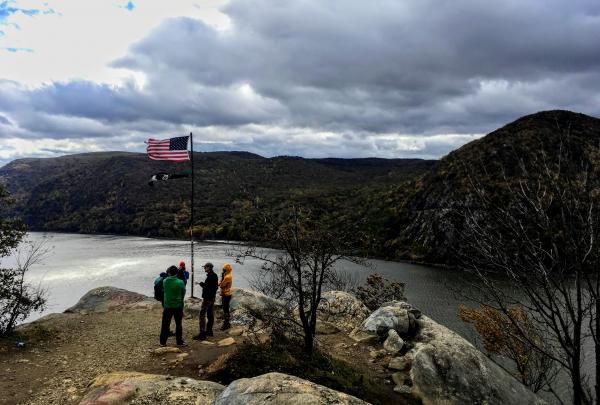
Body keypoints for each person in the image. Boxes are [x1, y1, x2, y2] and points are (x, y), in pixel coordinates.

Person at [159, 265, 187, 347]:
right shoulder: (180, 282)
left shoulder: (165, 281)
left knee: (165, 324)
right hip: (178, 305)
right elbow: (183, 292)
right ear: (177, 273)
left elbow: (164, 290)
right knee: (178, 324)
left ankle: (162, 342)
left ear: (169, 272)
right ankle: (179, 341)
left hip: (167, 306)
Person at [193, 262, 218, 341]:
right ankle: (209, 331)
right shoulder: (215, 275)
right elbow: (214, 287)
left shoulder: (210, 277)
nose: (204, 268)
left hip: (207, 298)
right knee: (210, 314)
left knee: (202, 315)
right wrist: (202, 284)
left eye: (205, 267)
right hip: (212, 297)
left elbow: (207, 287)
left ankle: (202, 334)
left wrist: (201, 284)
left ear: (209, 268)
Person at [219, 263, 233, 330]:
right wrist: (222, 278)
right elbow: (220, 283)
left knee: (225, 309)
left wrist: (222, 277)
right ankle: (227, 323)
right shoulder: (227, 275)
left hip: (226, 294)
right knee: (225, 309)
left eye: (224, 269)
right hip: (225, 294)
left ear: (226, 269)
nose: (223, 270)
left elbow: (221, 285)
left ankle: (226, 324)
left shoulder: (227, 277)